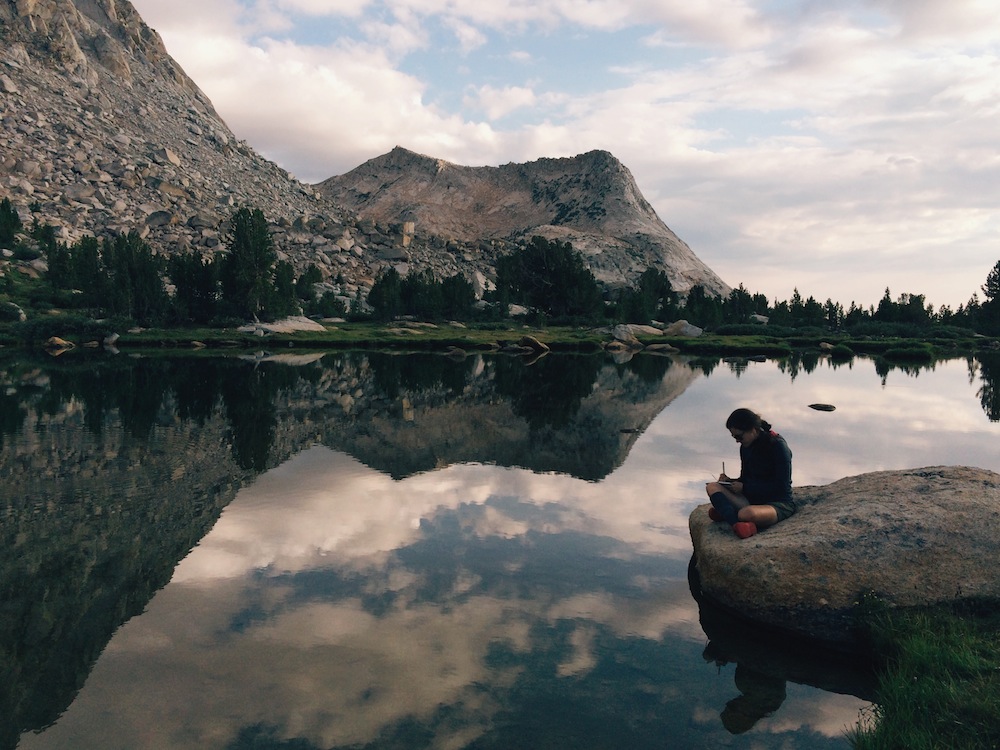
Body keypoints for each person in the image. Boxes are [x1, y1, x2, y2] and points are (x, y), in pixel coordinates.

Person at [705, 408, 795, 539]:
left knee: (746, 514)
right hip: (752, 499)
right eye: (734, 437)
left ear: (753, 429)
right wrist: (730, 481)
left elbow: (781, 487)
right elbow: (745, 478)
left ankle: (729, 514)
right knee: (712, 487)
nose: (737, 441)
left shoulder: (778, 447)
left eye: (739, 436)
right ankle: (736, 524)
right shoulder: (745, 446)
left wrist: (745, 488)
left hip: (777, 504)